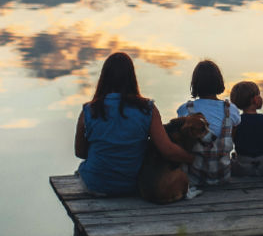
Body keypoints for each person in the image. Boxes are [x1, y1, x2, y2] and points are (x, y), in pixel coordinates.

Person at [74, 52, 192, 196]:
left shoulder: (89, 110)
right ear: (132, 78)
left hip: (96, 185)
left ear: (103, 78)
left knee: (82, 170)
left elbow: (80, 152)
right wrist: (191, 158)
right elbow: (167, 150)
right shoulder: (147, 109)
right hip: (134, 185)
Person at [176, 59, 242, 187]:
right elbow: (232, 138)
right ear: (219, 82)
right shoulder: (231, 109)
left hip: (195, 179)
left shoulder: (185, 110)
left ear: (195, 84)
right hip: (223, 177)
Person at [229, 80, 263, 177]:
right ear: (255, 100)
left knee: (233, 156)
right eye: (259, 95)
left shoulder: (235, 123)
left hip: (242, 168)